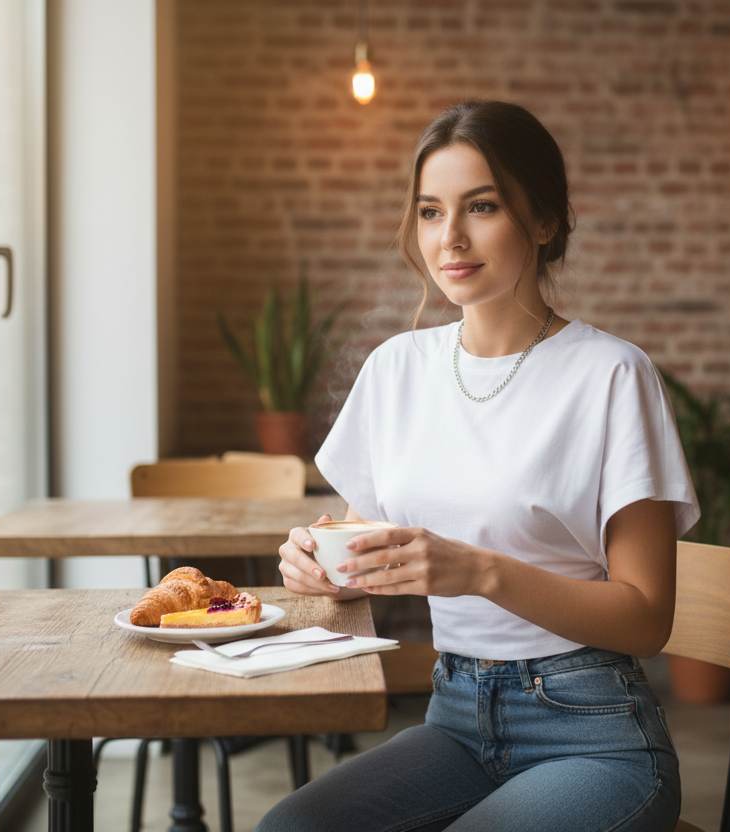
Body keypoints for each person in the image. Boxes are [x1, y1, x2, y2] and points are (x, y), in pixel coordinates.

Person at [258, 100, 699, 832]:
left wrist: (479, 572)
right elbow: (364, 553)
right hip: (456, 719)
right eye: (430, 212)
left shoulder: (613, 375)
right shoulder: (396, 368)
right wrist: (319, 565)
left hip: (592, 733)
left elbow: (648, 619)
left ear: (545, 221)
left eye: (482, 206)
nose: (450, 238)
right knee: (291, 828)